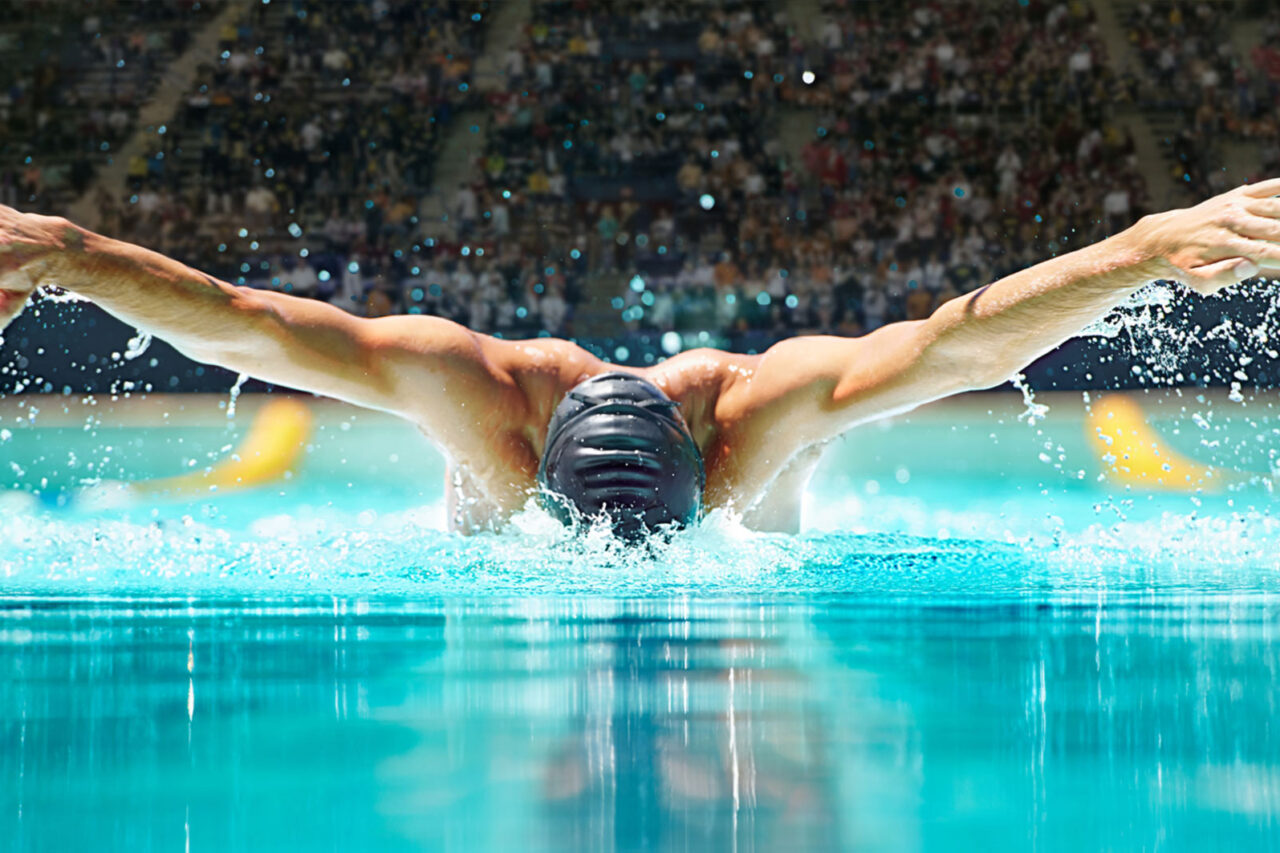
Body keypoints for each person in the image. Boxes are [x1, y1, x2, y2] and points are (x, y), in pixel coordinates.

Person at [3, 182, 1280, 538]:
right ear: (530, 465)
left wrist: (1142, 247)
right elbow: (252, 319)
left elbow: (952, 342)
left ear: (706, 469)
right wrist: (62, 248)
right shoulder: (477, 394)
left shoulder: (760, 411)